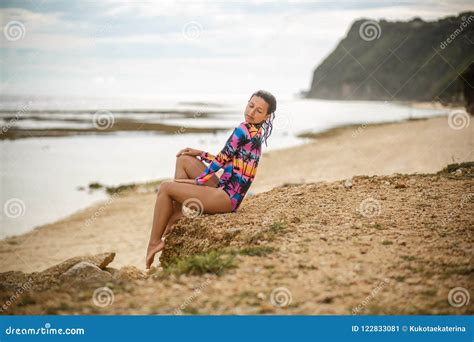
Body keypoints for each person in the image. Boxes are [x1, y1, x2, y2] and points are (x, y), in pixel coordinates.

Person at [145, 90, 277, 270]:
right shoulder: (255, 131)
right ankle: (175, 214)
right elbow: (229, 161)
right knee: (184, 159)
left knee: (166, 188)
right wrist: (200, 154)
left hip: (226, 198)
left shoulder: (244, 129)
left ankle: (154, 242)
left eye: (259, 111)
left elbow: (222, 160)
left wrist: (197, 182)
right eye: (250, 105)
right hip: (225, 189)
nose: (251, 112)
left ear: (267, 116)